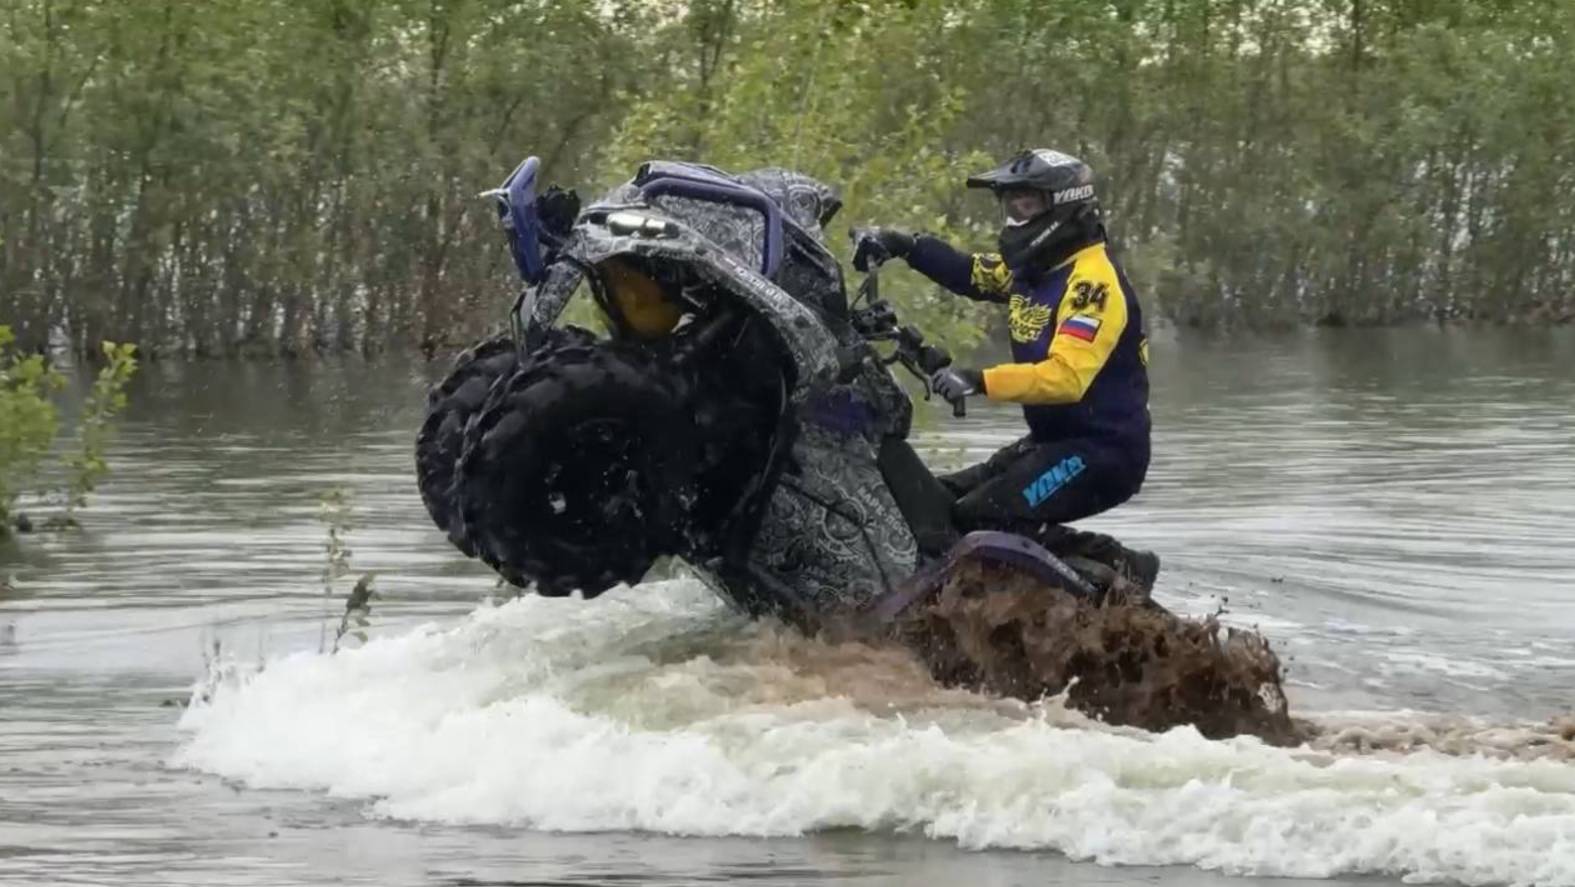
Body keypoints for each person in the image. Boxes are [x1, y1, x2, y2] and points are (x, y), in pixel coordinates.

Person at [852, 148, 1158, 587]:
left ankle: (1120, 568)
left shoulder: (1093, 285)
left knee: (984, 518)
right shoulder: (1033, 271)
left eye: (1027, 205)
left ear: (1064, 205)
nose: (1015, 216)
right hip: (1053, 442)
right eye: (1010, 205)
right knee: (945, 503)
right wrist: (902, 244)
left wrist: (978, 380)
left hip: (1104, 452)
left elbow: (1065, 377)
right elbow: (969, 273)